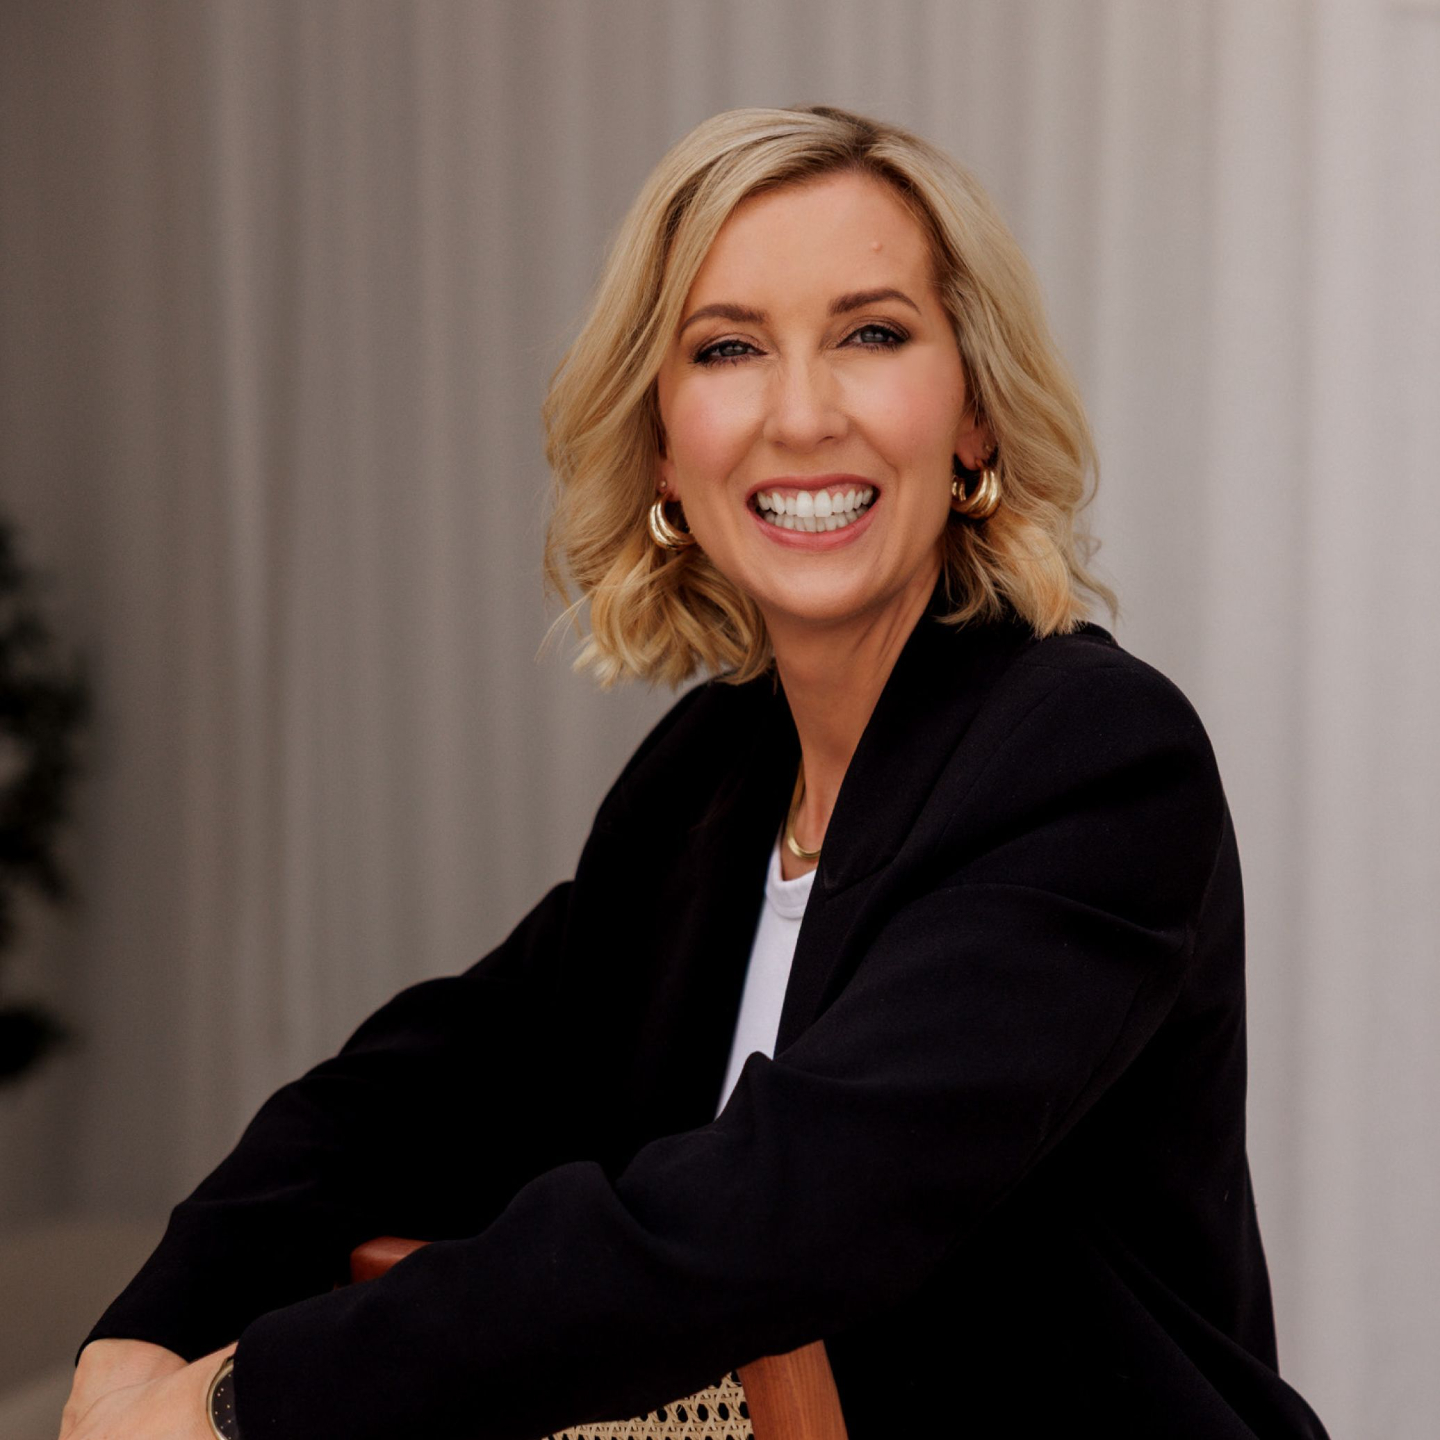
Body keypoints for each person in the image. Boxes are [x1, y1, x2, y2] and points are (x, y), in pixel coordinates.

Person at [61, 104, 1329, 1440]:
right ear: (663, 445)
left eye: (872, 334)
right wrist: (148, 1336)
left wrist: (248, 1400)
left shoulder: (1091, 755)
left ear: (973, 413)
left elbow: (781, 1213)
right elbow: (423, 1086)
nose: (803, 413)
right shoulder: (710, 776)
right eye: (728, 348)